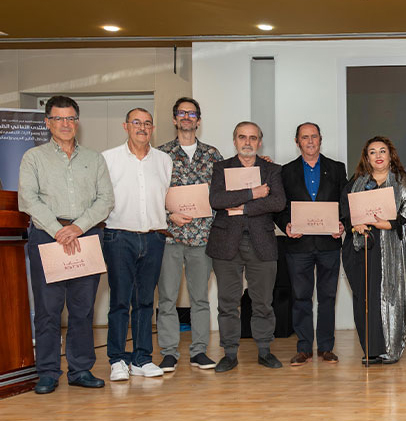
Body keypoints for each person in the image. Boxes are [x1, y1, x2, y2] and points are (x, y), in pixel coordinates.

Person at [18, 95, 115, 394]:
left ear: (77, 121)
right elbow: (28, 199)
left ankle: (81, 369)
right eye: (59, 118)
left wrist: (77, 227)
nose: (65, 124)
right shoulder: (33, 158)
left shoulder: (94, 159)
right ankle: (47, 372)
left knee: (82, 309)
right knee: (48, 310)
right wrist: (58, 229)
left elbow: (106, 200)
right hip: (47, 237)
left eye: (71, 118)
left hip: (85, 236)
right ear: (48, 122)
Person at [207, 121, 286, 372]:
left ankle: (264, 351)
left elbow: (278, 202)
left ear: (259, 142)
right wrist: (253, 193)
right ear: (234, 141)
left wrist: (243, 207)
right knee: (227, 303)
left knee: (263, 302)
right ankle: (229, 354)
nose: (248, 142)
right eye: (242, 137)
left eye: (253, 138)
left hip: (261, 243)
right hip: (225, 243)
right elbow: (217, 200)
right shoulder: (220, 168)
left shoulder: (272, 170)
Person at [100, 108, 172, 381]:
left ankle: (142, 358)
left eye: (147, 123)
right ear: (125, 126)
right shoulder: (108, 159)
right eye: (136, 122)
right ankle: (117, 359)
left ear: (153, 128)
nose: (142, 127)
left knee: (144, 301)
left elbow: (166, 198)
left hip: (154, 237)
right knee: (119, 302)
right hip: (119, 237)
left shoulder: (164, 160)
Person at [156, 97, 224, 372]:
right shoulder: (159, 154)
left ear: (198, 119)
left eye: (192, 113)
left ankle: (198, 352)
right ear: (174, 119)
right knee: (168, 298)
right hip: (169, 237)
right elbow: (150, 196)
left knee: (200, 299)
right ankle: (169, 352)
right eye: (181, 113)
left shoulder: (213, 154)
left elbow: (222, 193)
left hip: (202, 239)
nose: (187, 117)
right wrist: (167, 217)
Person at [340, 136, 406, 365]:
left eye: (382, 150)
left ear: (390, 154)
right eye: (372, 152)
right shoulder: (357, 182)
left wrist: (390, 223)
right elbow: (346, 210)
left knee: (392, 297)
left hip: (393, 247)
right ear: (367, 157)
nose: (378, 156)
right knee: (367, 299)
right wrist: (355, 224)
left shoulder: (402, 180)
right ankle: (371, 350)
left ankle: (390, 350)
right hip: (365, 248)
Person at [275, 122, 347, 366]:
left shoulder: (337, 169)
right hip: (299, 246)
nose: (310, 141)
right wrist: (286, 225)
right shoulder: (285, 172)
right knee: (301, 297)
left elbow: (344, 204)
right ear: (297, 142)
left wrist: (342, 224)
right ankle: (304, 347)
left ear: (320, 139)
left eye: (314, 136)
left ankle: (326, 347)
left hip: (329, 244)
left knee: (327, 297)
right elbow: (280, 207)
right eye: (304, 137)